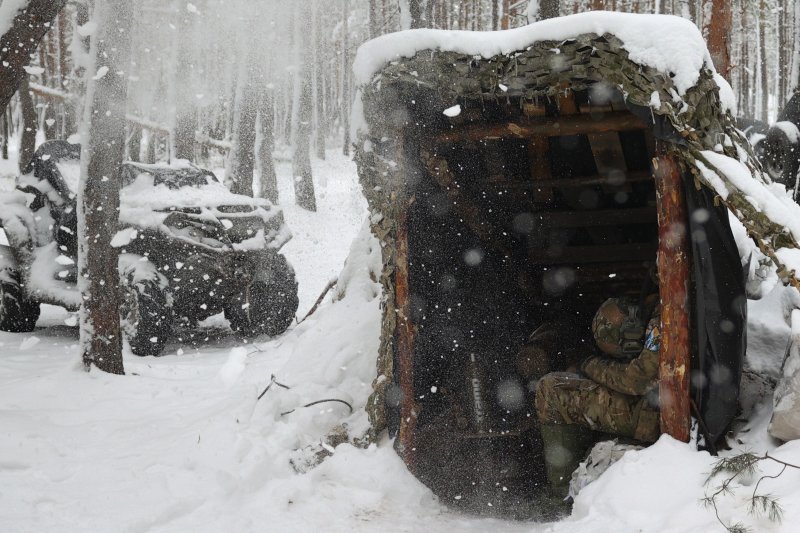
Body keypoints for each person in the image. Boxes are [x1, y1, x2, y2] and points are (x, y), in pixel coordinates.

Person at [533, 296, 661, 496]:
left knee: (551, 389)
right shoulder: (659, 309)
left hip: (653, 411)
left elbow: (638, 379)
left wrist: (589, 364)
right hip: (653, 405)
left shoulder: (663, 316)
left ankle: (561, 496)